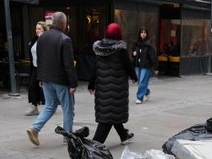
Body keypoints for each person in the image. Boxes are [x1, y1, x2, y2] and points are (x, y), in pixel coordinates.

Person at [26, 12, 77, 146]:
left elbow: (40, 60)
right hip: (60, 79)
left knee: (50, 106)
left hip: (46, 78)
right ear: (63, 23)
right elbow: (68, 64)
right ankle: (67, 137)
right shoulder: (65, 39)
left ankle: (35, 128)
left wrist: (40, 77)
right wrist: (73, 83)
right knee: (68, 108)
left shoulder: (42, 38)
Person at [88, 23, 137, 145]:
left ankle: (124, 136)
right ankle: (95, 145)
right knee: (110, 115)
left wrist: (91, 84)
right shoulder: (120, 49)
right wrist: (134, 77)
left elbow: (95, 67)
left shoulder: (99, 48)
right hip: (117, 87)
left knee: (111, 111)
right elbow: (128, 65)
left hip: (102, 87)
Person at [25, 21, 48, 116]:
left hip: (44, 67)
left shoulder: (45, 39)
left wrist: (42, 37)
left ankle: (51, 105)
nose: (37, 30)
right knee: (32, 86)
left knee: (46, 87)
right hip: (35, 67)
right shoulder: (34, 39)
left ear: (44, 30)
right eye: (36, 28)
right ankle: (34, 106)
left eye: (39, 29)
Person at [132, 27, 158, 104]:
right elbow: (133, 53)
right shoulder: (136, 44)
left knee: (142, 82)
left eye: (144, 33)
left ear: (146, 34)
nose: (143, 34)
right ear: (139, 34)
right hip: (137, 65)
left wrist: (156, 68)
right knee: (140, 82)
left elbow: (153, 56)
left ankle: (139, 98)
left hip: (146, 66)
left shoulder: (149, 45)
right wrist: (133, 54)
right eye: (141, 32)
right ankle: (147, 92)